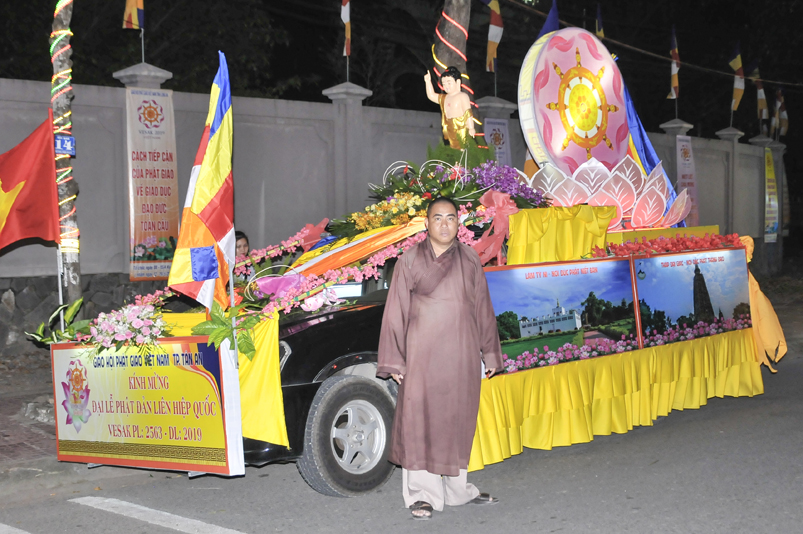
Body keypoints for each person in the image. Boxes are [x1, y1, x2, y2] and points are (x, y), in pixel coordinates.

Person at [376, 197, 503, 520]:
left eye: (450, 218)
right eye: (438, 218)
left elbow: (483, 308)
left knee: (457, 419)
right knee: (420, 422)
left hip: (462, 353)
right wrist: (395, 360)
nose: (444, 224)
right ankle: (423, 495)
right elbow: (395, 313)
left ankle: (458, 490)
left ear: (459, 223)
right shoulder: (409, 260)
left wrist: (490, 352)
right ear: (426, 223)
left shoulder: (470, 259)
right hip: (422, 355)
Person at [424, 66, 476, 149]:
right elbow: (431, 96)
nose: (446, 86)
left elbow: (468, 113)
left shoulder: (462, 96)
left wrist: (471, 127)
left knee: (462, 149)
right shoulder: (444, 98)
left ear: (458, 82)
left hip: (460, 128)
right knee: (450, 150)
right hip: (448, 128)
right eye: (444, 84)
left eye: (449, 83)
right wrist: (428, 82)